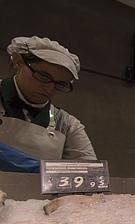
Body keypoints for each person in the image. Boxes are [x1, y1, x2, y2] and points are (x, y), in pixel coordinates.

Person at [0, 36, 96, 172]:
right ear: (18, 62)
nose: (50, 89)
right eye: (43, 76)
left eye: (60, 84)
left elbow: (90, 173)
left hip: (31, 193)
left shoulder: (67, 124)